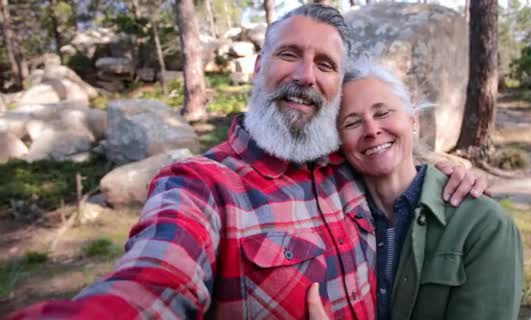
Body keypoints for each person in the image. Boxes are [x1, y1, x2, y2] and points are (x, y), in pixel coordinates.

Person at [9, 5, 488, 319]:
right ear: (258, 67)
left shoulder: (347, 165)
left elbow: (391, 151)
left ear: (337, 88)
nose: (304, 75)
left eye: (325, 65)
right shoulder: (200, 187)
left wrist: (437, 168)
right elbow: (154, 284)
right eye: (288, 55)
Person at [309, 61, 524, 320]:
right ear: (339, 143)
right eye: (352, 123)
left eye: (382, 113)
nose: (372, 130)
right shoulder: (329, 218)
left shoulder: (483, 225)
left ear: (413, 121)